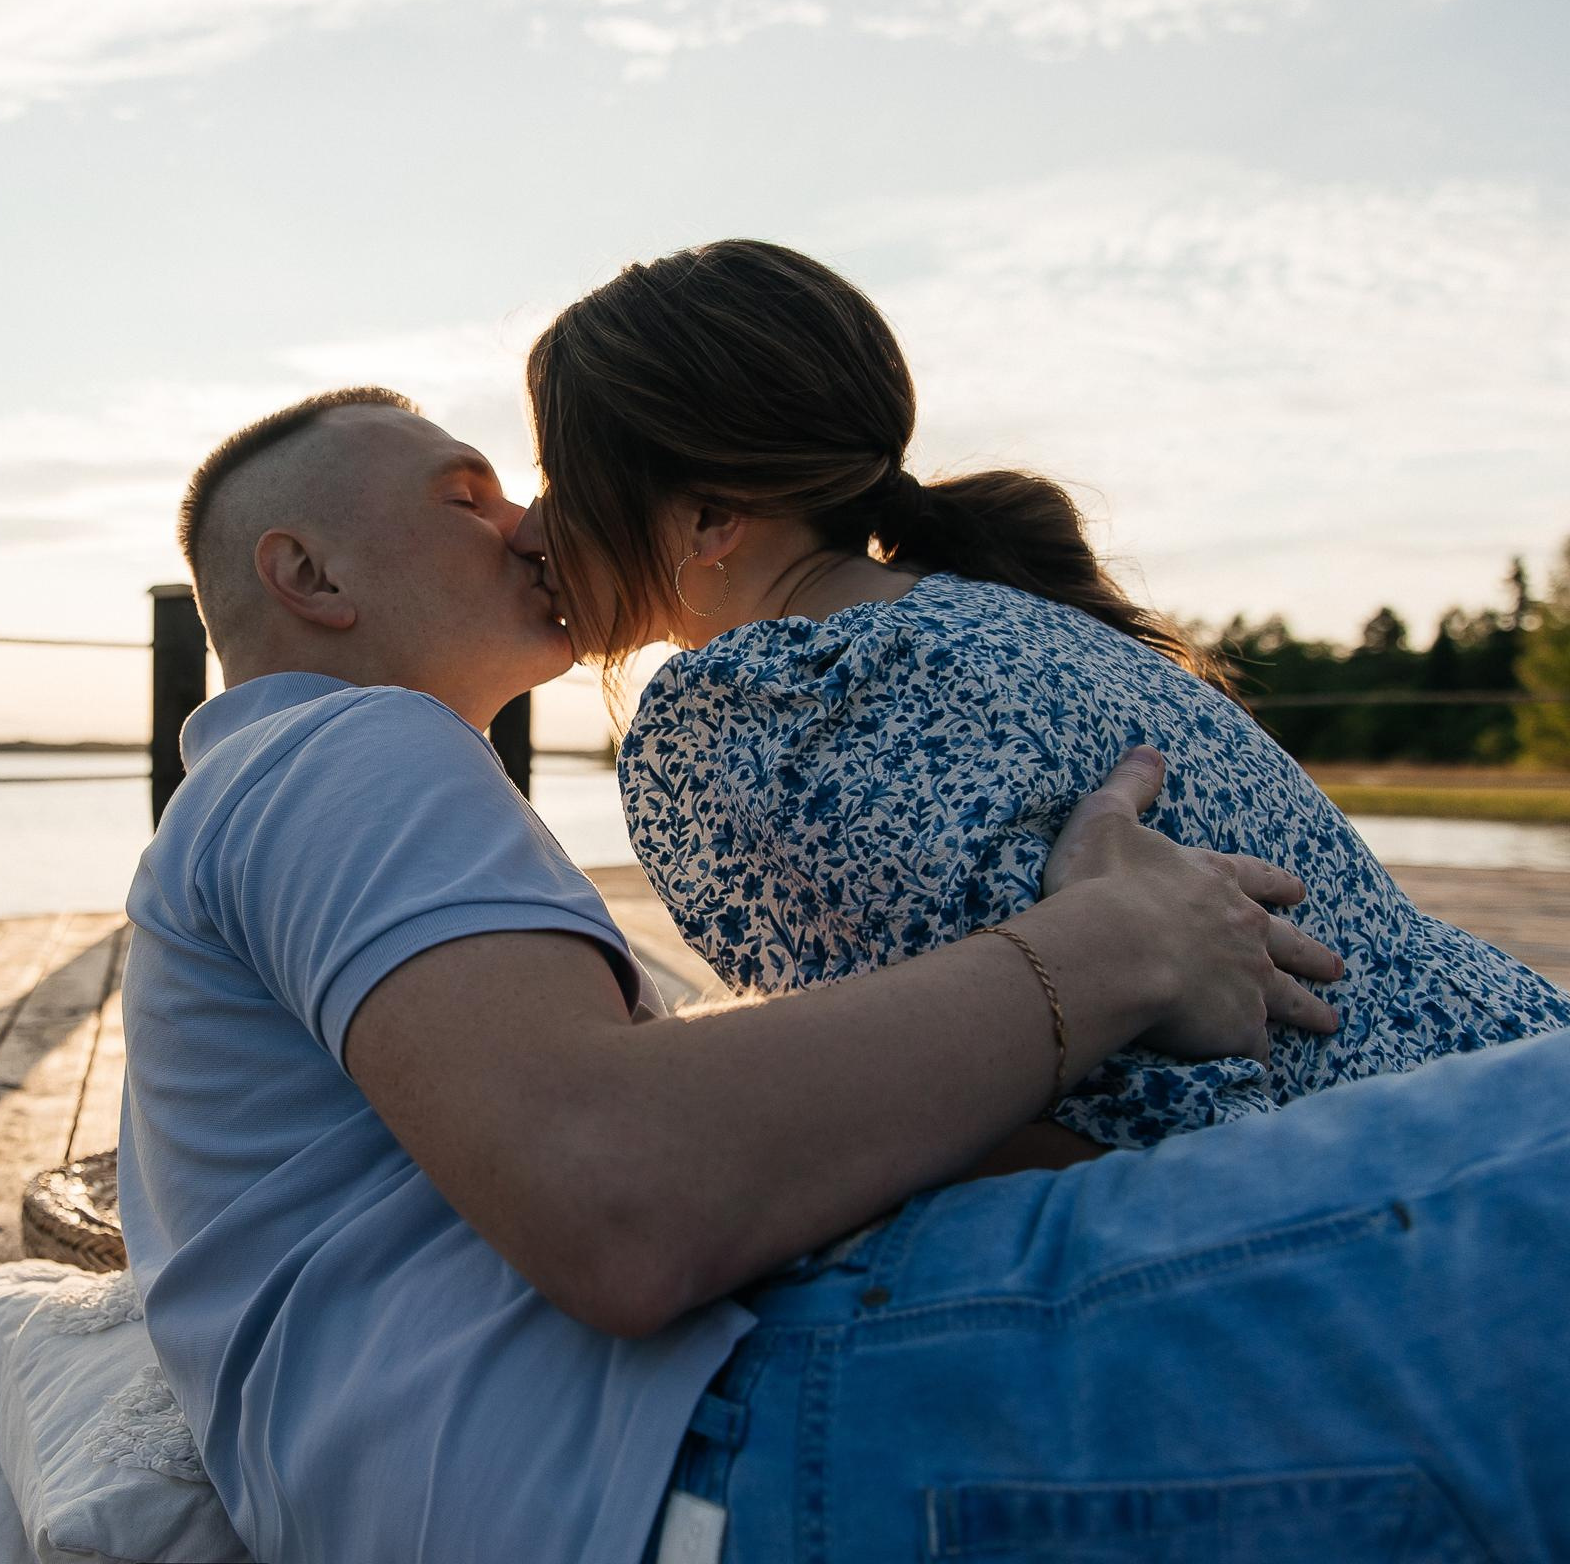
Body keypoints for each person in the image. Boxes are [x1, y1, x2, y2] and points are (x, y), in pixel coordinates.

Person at [116, 386, 1568, 1564]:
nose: (529, 524)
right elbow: (616, 1187)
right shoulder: (345, 747)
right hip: (709, 1440)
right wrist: (1111, 949)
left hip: (667, 1446)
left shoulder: (252, 822)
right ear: (307, 575)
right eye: (467, 494)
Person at [517, 239, 1570, 1160]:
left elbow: (1099, 1144)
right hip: (1514, 1095)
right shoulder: (1025, 619)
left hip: (1442, 1230)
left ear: (707, 517)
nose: (529, 526)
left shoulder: (762, 715)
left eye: (560, 476)